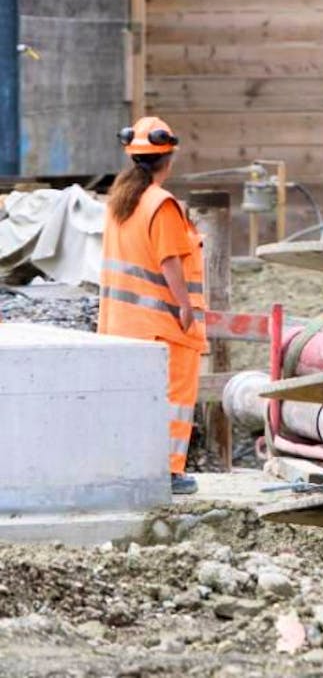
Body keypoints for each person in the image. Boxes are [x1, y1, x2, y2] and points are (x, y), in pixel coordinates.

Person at [98, 117, 206, 496]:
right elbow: (168, 261)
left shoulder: (119, 202)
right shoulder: (161, 204)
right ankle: (169, 472)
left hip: (121, 323)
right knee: (174, 399)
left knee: (131, 400)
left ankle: (131, 468)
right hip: (162, 323)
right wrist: (185, 307)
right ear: (168, 159)